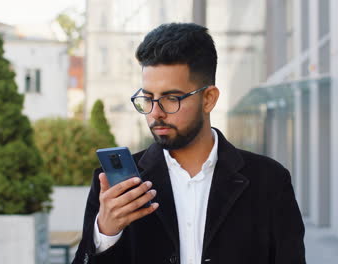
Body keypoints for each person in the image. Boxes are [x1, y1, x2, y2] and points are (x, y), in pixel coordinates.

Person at [73, 22, 305, 264]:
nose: (155, 113)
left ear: (209, 99)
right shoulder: (116, 187)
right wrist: (105, 234)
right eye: (148, 98)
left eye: (171, 98)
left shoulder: (269, 180)